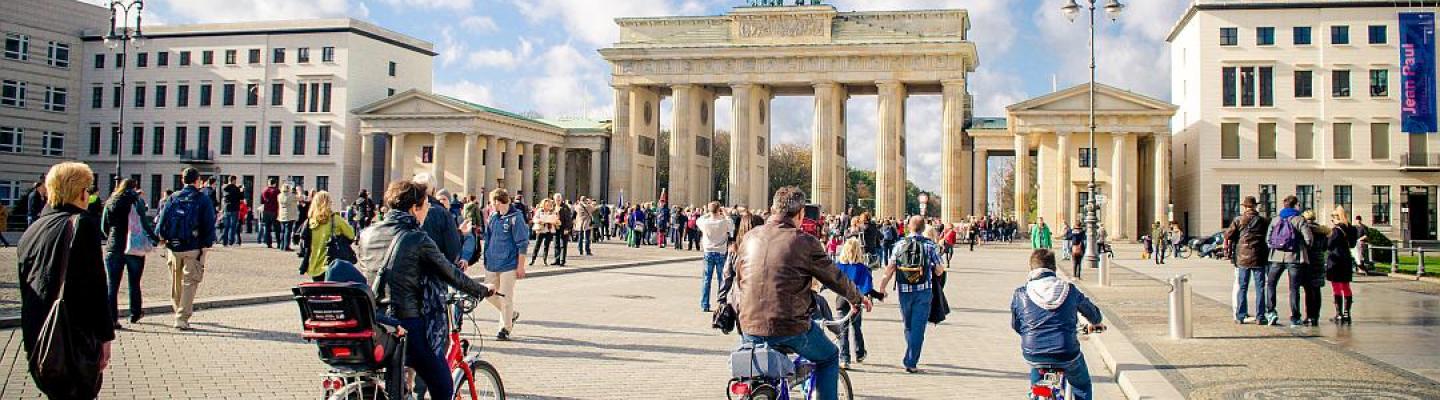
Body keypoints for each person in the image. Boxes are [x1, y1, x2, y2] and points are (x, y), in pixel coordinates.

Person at [357, 180, 493, 400]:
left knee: (398, 384)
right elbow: (450, 273)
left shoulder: (367, 234)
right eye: (426, 206)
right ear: (414, 208)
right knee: (443, 386)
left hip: (378, 322)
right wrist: (483, 290)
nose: (428, 211)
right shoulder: (416, 238)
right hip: (409, 323)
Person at [731, 187, 870, 400]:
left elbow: (738, 281)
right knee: (829, 358)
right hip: (790, 326)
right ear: (801, 214)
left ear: (772, 208)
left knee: (754, 376)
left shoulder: (749, 238)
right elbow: (834, 277)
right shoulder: (804, 242)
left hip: (749, 325)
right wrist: (857, 298)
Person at [18, 163, 114, 399]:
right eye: (88, 190)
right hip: (71, 337)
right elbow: (96, 288)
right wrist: (105, 337)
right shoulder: (81, 225)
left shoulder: (33, 229)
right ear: (81, 192)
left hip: (38, 336)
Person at [1010, 249, 1105, 400]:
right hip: (1066, 352)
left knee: (1037, 373)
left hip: (1033, 352)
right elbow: (1094, 315)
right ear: (1054, 268)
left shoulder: (1021, 293)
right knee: (1082, 385)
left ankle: (1037, 394)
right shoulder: (1069, 290)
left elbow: (1016, 325)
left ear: (1031, 270)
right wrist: (1096, 320)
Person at [878, 215, 945, 374]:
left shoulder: (899, 245)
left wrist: (881, 288)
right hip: (924, 291)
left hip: (904, 290)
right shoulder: (930, 246)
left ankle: (910, 354)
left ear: (909, 227)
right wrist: (935, 270)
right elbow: (940, 269)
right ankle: (911, 361)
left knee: (908, 325)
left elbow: (889, 269)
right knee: (918, 327)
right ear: (923, 228)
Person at [155, 168, 218, 330]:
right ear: (197, 181)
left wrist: (161, 238)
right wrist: (206, 245)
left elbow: (162, 221)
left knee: (176, 282)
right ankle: (182, 318)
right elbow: (209, 224)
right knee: (190, 282)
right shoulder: (202, 199)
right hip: (193, 246)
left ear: (182, 180)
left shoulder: (173, 197)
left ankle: (178, 310)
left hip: (174, 246)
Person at [100, 178, 160, 329]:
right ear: (134, 188)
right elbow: (144, 224)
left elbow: (104, 226)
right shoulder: (136, 201)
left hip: (114, 246)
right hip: (133, 247)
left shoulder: (111, 201)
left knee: (112, 286)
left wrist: (111, 237)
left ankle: (112, 319)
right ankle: (135, 313)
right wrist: (155, 239)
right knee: (134, 282)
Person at [481, 188, 530, 341]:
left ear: (498, 202)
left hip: (509, 263)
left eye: (492, 202)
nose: (491, 205)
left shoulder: (516, 218)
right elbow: (488, 240)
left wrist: (520, 266)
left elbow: (522, 243)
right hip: (493, 263)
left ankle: (505, 328)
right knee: (487, 294)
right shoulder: (493, 217)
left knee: (505, 296)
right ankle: (511, 314)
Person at [1265, 195, 1314, 327]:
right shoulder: (1299, 219)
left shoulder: (1276, 219)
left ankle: (1271, 312)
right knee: (1294, 288)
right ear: (1296, 205)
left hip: (1276, 257)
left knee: (1271, 284)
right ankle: (1295, 317)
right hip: (1294, 257)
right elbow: (1309, 239)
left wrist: (1277, 246)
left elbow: (1268, 239)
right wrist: (1303, 247)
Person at [1223, 196, 1270, 324]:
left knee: (1242, 287)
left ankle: (1241, 315)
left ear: (1244, 206)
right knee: (1260, 287)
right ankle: (1260, 316)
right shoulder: (1263, 220)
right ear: (1255, 206)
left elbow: (1228, 235)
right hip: (1259, 256)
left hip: (1242, 257)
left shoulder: (1239, 220)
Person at [834, 238, 877, 369]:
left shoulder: (838, 266)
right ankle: (859, 353)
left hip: (841, 300)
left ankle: (844, 358)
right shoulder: (863, 268)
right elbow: (866, 286)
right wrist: (868, 298)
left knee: (843, 330)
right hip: (857, 301)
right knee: (856, 327)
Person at [299, 191, 356, 282]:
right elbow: (351, 235)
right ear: (328, 203)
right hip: (333, 265)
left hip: (314, 265)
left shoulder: (310, 221)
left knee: (319, 292)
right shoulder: (335, 219)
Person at [413, 175, 462, 264]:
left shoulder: (406, 209)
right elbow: (453, 250)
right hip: (436, 270)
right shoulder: (442, 213)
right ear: (434, 190)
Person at [696, 201, 734, 312]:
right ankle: (721, 303)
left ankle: (705, 304)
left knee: (706, 280)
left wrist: (708, 213)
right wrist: (725, 213)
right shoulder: (723, 222)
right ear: (719, 210)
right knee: (722, 280)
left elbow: (698, 220)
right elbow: (732, 225)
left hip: (708, 252)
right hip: (721, 253)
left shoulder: (705, 222)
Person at [1327, 206, 1359, 324]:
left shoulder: (1336, 231)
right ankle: (1347, 313)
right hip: (1346, 259)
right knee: (1346, 286)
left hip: (1336, 259)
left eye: (1332, 218)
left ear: (1337, 218)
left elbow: (1329, 245)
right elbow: (1352, 244)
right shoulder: (1351, 229)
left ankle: (1339, 313)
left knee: (1336, 286)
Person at [530, 199, 558, 266]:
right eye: (547, 205)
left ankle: (545, 260)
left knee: (546, 246)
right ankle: (533, 259)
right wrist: (539, 221)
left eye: (549, 205)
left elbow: (555, 219)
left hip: (549, 229)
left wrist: (553, 221)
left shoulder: (552, 211)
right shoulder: (540, 210)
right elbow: (534, 218)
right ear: (544, 204)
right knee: (537, 245)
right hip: (541, 229)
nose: (548, 206)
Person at [220, 176, 244, 246]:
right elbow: (241, 198)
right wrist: (241, 190)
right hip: (234, 209)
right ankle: (231, 241)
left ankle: (224, 242)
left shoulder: (224, 188)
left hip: (226, 208)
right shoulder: (236, 189)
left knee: (226, 226)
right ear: (234, 180)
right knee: (233, 226)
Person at [554, 195, 575, 266]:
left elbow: (569, 220)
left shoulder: (565, 207)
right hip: (555, 228)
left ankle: (562, 260)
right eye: (556, 200)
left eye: (559, 200)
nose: (558, 201)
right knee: (556, 244)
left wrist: (567, 229)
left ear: (561, 199)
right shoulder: (553, 207)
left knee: (563, 245)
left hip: (564, 228)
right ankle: (557, 260)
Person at [277, 184, 299, 251]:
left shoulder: (279, 195)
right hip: (290, 215)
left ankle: (281, 245)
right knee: (288, 231)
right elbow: (299, 198)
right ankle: (286, 246)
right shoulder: (291, 196)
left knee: (282, 231)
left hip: (282, 215)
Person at [260, 179, 281, 248]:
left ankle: (268, 243)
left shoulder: (264, 191)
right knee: (277, 228)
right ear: (274, 183)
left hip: (266, 211)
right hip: (274, 211)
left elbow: (262, 202)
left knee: (267, 228)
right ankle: (278, 243)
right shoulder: (277, 191)